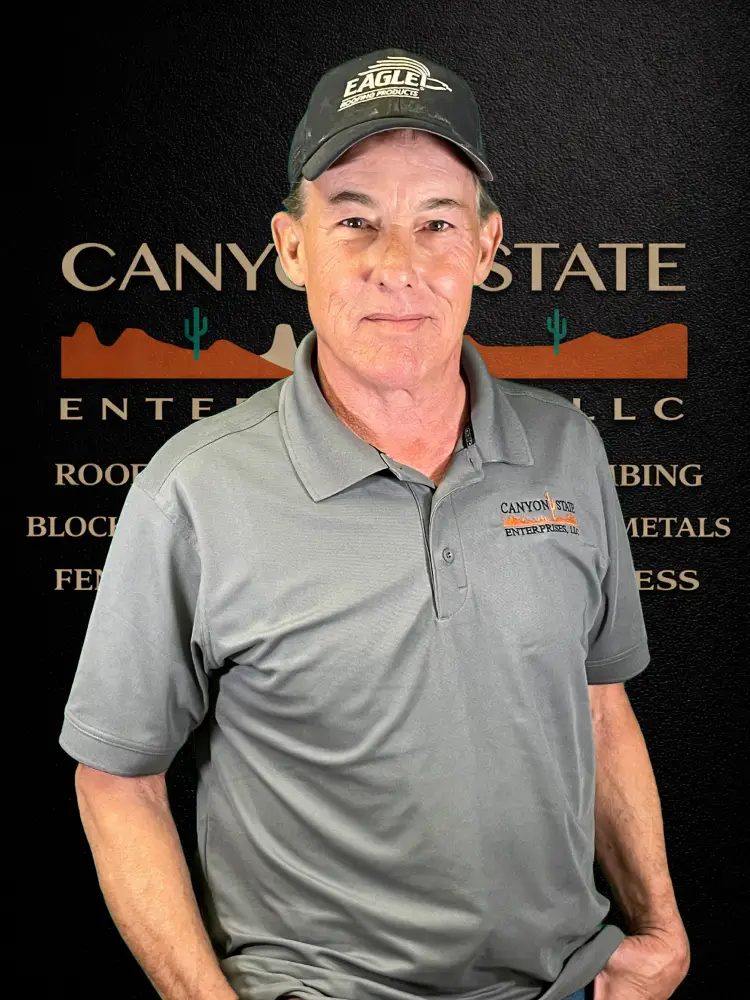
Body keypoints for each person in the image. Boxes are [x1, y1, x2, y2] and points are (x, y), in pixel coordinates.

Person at [59, 48, 690, 1000]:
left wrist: (661, 931)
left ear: (486, 246)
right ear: (292, 246)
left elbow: (600, 709)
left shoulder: (568, 449)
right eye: (355, 220)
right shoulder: (191, 491)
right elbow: (117, 781)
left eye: (437, 222)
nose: (399, 266)